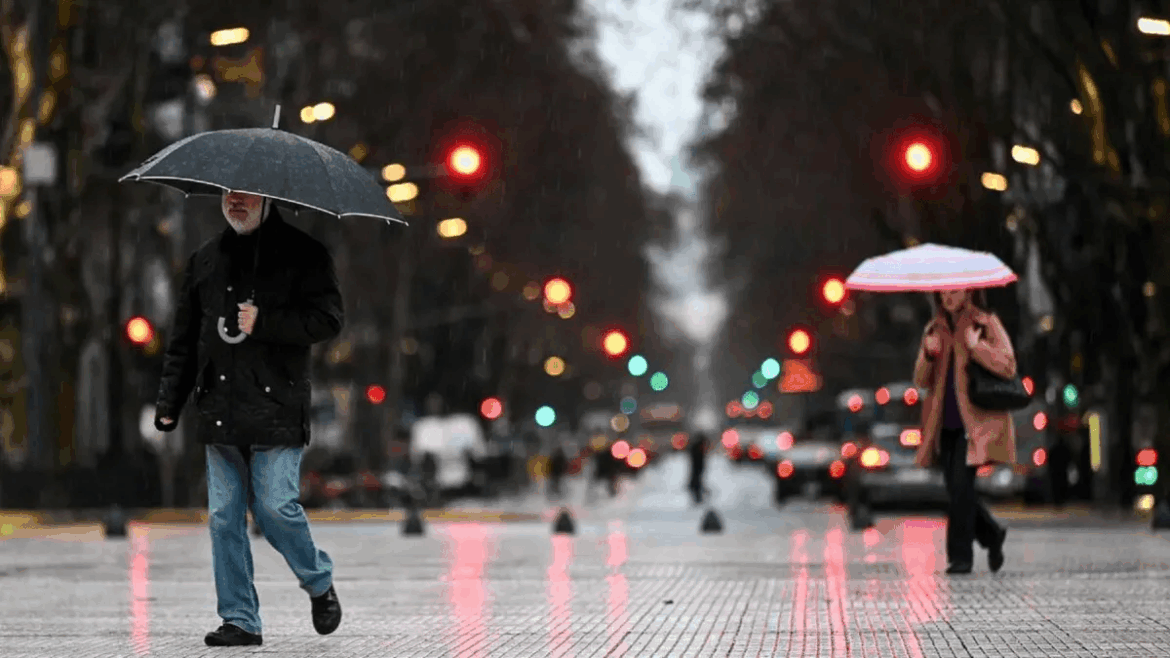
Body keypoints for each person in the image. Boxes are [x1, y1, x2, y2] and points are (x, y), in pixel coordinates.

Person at [154, 190, 344, 646]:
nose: (234, 202)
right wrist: (169, 404)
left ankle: (318, 581)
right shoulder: (204, 260)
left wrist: (268, 321)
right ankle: (240, 618)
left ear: (268, 198)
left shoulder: (305, 254)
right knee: (224, 517)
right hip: (218, 408)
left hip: (277, 406)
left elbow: (329, 320)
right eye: (227, 194)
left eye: (245, 195)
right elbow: (184, 340)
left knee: (276, 507)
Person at [913, 288, 1014, 575]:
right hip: (943, 425)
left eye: (954, 290)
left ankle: (960, 558)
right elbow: (920, 379)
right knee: (958, 491)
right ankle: (992, 534)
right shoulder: (934, 328)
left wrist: (976, 347)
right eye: (943, 291)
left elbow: (1008, 365)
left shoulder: (985, 323)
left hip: (974, 425)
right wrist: (929, 355)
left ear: (968, 291)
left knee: (960, 489)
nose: (947, 296)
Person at [687, 433, 708, 505]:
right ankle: (698, 499)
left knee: (697, 483)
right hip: (696, 469)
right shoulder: (696, 449)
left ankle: (698, 499)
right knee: (696, 483)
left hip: (697, 470)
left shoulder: (696, 448)